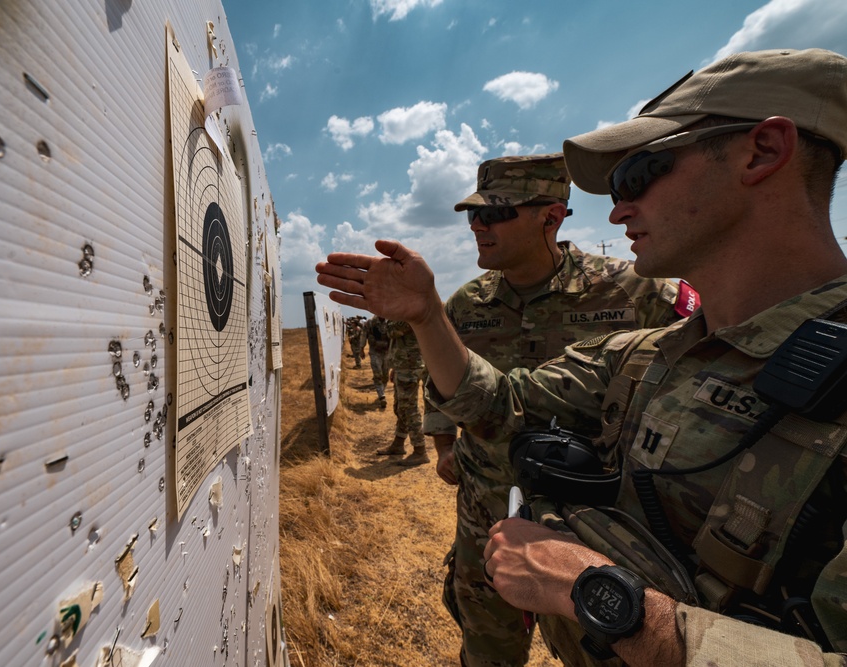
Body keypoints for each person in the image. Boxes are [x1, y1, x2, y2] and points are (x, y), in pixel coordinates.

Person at [316, 48, 847, 665]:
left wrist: (595, 593)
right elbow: (500, 402)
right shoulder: (648, 355)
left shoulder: (645, 307)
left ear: (762, 152)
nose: (619, 209)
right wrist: (430, 317)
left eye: (640, 174)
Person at [427, 153, 690, 667]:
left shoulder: (639, 293)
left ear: (552, 216)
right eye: (472, 214)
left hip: (599, 526)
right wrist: (443, 446)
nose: (478, 225)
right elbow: (440, 385)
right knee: (487, 648)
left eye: (496, 213)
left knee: (606, 647)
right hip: (488, 514)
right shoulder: (465, 305)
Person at [379, 320, 430, 465]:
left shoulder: (407, 312)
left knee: (408, 409)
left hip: (410, 367)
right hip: (403, 366)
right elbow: (398, 341)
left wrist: (390, 316)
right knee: (399, 407)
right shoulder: (401, 312)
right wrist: (394, 367)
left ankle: (420, 451)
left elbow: (391, 331)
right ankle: (398, 443)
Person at [361, 315, 390, 408]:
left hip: (386, 352)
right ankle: (381, 396)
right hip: (375, 352)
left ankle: (382, 390)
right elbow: (363, 335)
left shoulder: (390, 322)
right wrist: (361, 349)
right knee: (377, 374)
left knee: (385, 375)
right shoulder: (370, 323)